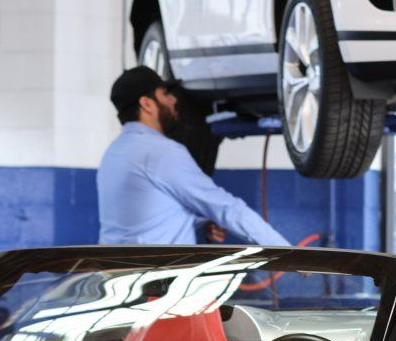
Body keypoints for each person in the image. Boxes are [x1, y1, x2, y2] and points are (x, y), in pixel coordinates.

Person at [96, 67, 290, 248]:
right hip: (155, 280)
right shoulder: (162, 152)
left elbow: (143, 223)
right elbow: (227, 209)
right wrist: (288, 252)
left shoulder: (112, 154)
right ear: (147, 104)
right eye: (165, 94)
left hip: (114, 277)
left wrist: (200, 224)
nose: (173, 101)